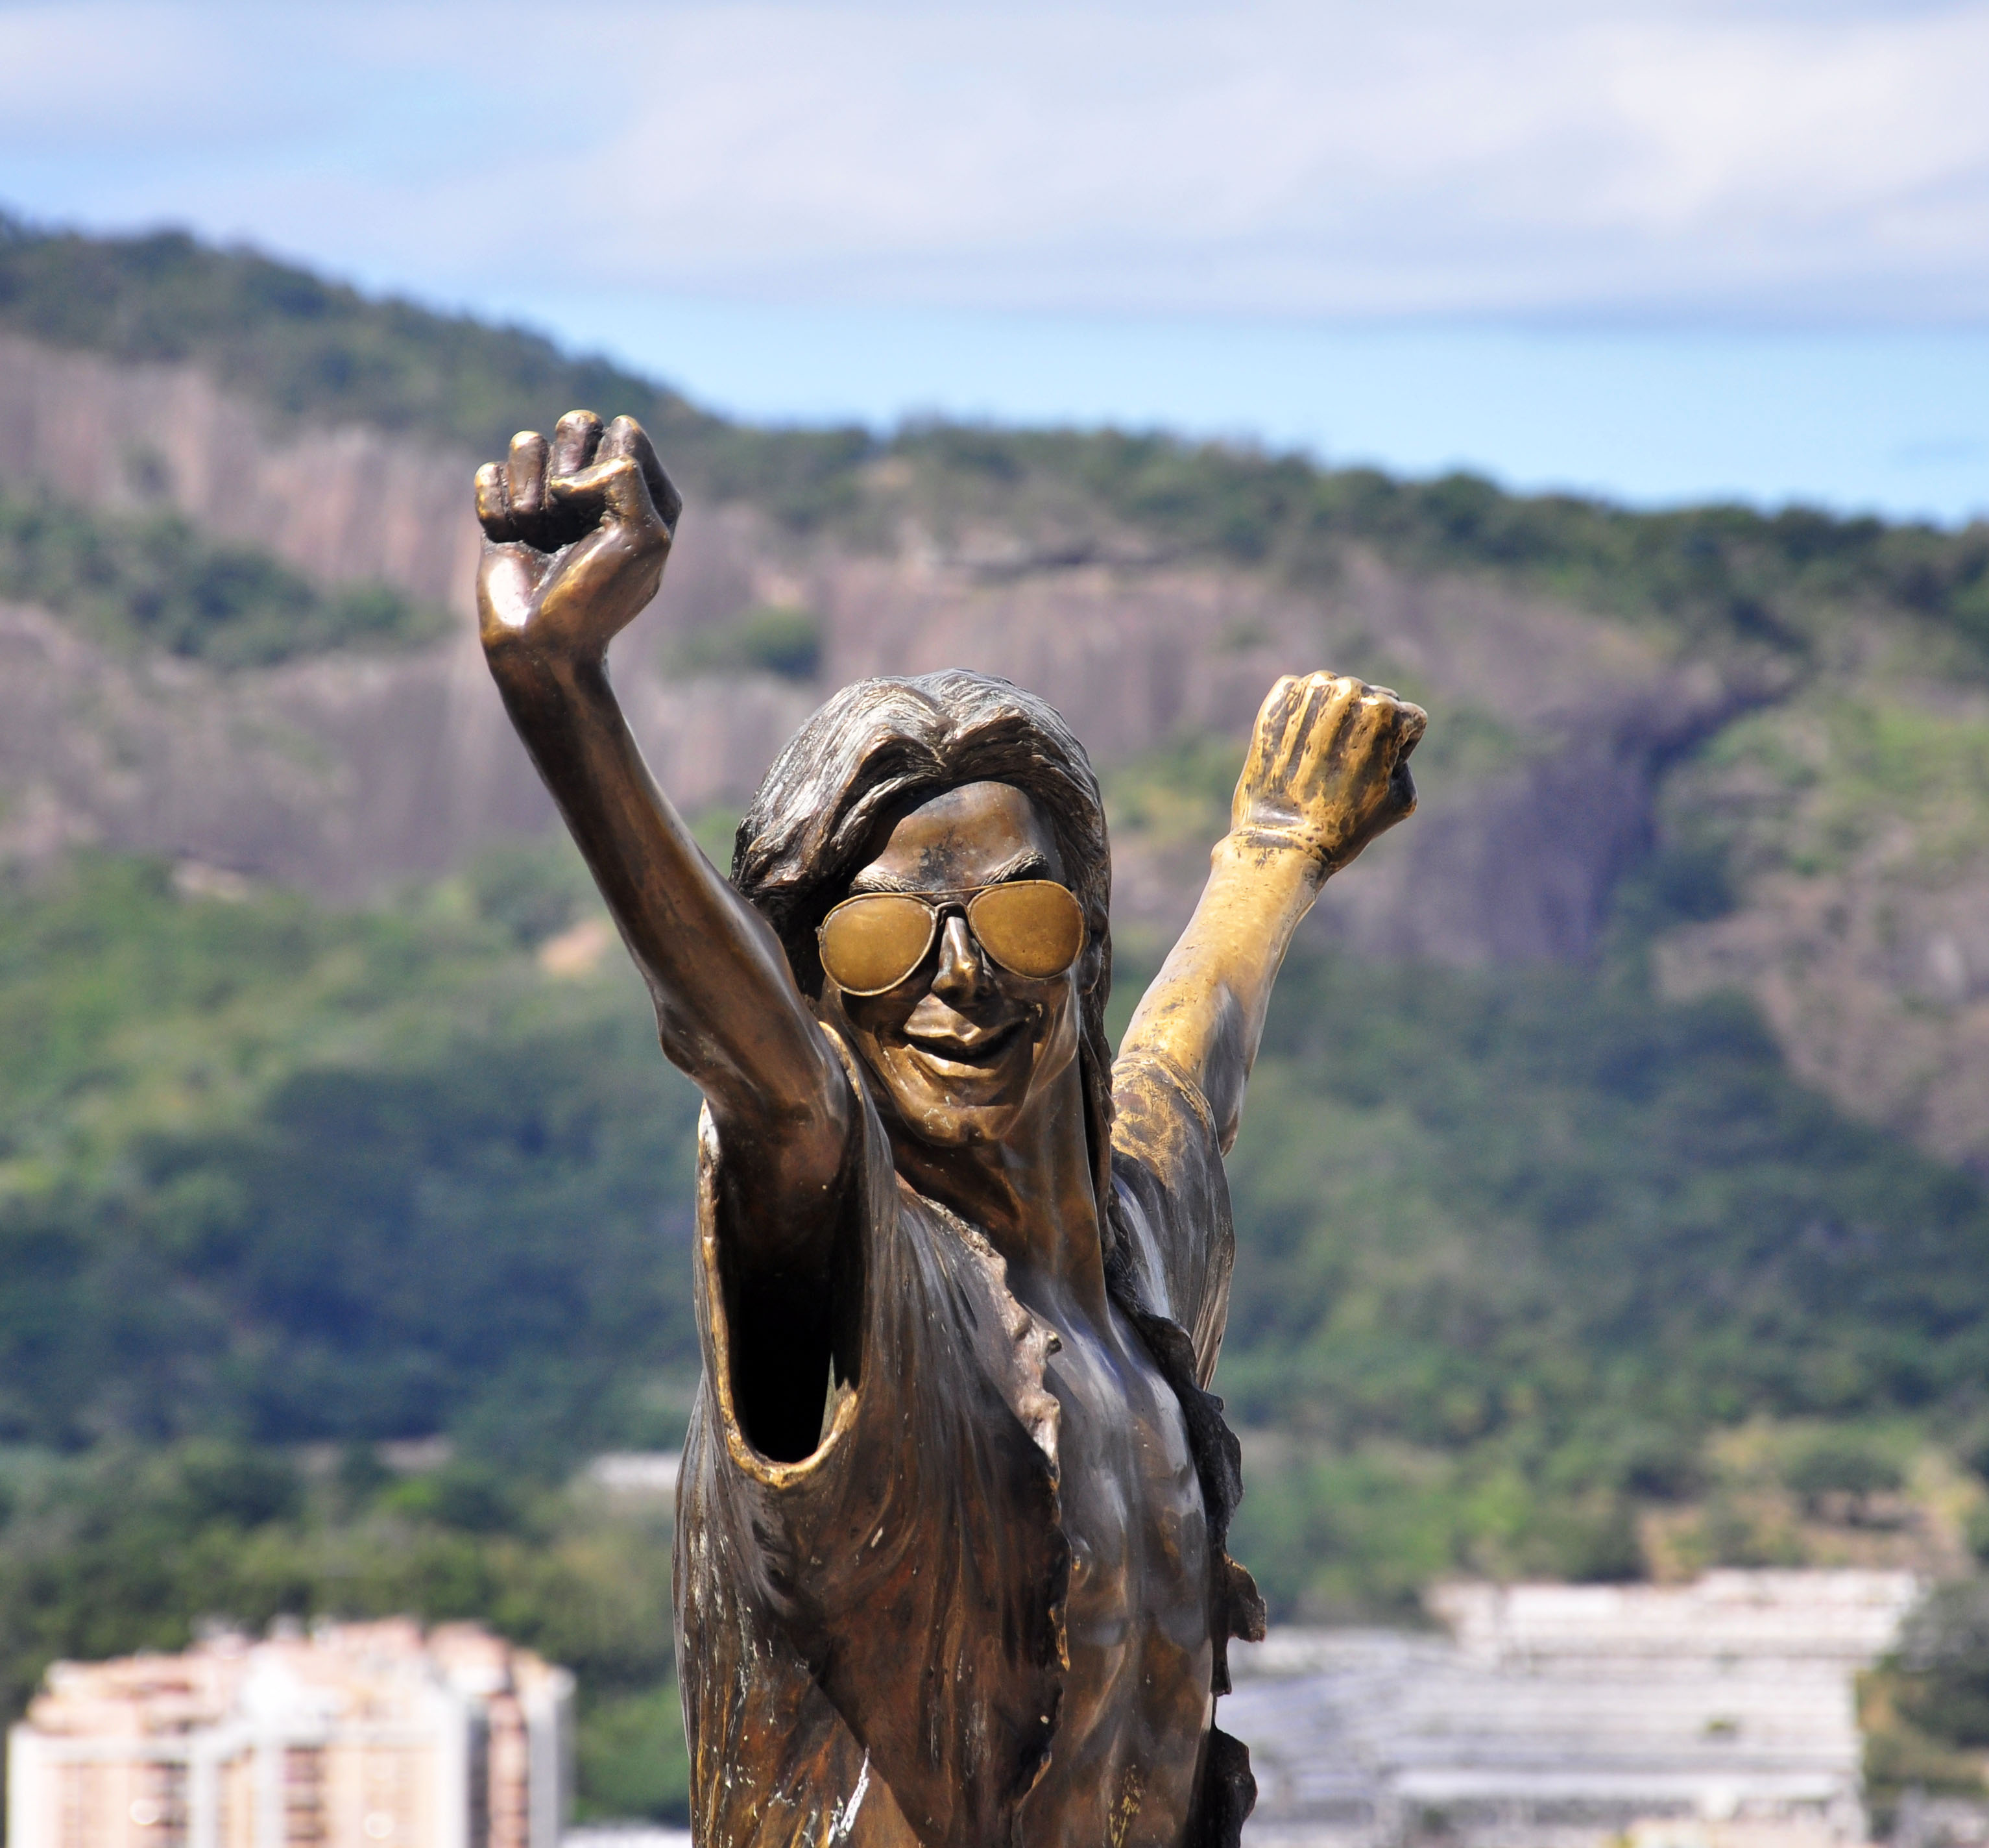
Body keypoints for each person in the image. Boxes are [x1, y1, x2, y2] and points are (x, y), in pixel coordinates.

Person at [474, 411, 1424, 1848]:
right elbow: (765, 1080)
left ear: (1083, 951)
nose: (959, 974)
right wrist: (560, 690)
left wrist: (1276, 851)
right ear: (806, 981)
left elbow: (1187, 1070)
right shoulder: (863, 1276)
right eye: (875, 939)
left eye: (1020, 917)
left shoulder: (1122, 1267)